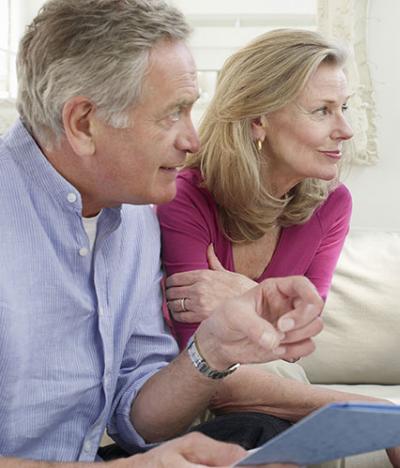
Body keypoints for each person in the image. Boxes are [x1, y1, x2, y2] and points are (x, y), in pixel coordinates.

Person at [0, 1, 322, 467]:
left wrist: (212, 347)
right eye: (173, 114)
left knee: (265, 442)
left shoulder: (135, 216)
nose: (193, 140)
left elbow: (139, 419)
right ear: (83, 123)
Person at [156, 29, 400, 468]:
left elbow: (300, 342)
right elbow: (211, 375)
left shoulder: (332, 204)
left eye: (344, 108)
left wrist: (239, 296)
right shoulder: (184, 197)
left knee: (285, 417)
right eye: (322, 111)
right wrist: (369, 410)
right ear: (257, 121)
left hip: (271, 394)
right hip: (189, 401)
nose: (345, 130)